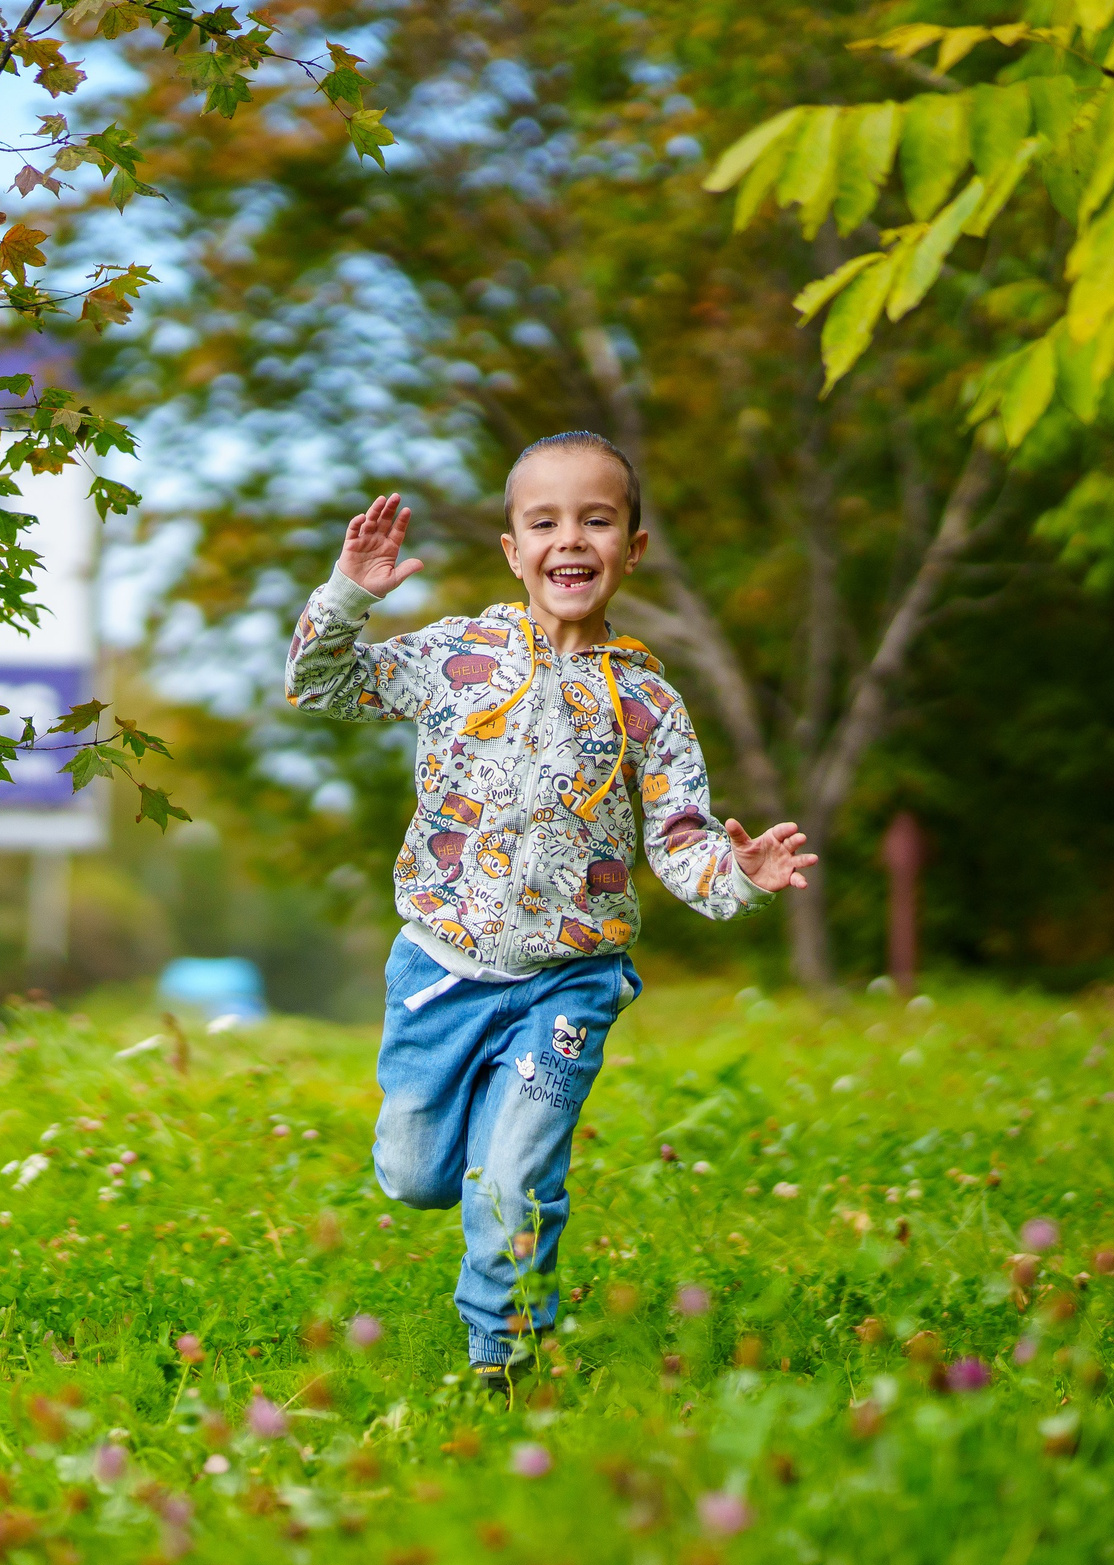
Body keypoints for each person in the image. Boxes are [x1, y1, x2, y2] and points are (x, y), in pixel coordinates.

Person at [285, 430, 817, 1388]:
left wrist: (738, 871)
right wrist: (349, 594)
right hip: (440, 969)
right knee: (415, 1175)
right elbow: (317, 682)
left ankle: (505, 1357)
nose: (570, 538)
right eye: (546, 521)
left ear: (633, 546)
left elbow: (681, 836)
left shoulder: (647, 699)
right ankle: (470, 1167)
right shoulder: (461, 654)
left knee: (511, 1181)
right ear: (512, 546)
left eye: (597, 519)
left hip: (569, 982)